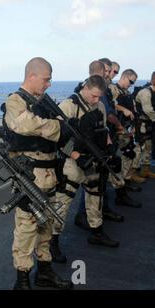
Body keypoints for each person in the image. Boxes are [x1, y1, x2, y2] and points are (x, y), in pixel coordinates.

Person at [3, 57, 73, 290]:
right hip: (30, 176)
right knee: (26, 228)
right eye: (46, 79)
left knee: (47, 225)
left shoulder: (43, 103)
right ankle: (22, 278)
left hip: (50, 173)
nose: (48, 84)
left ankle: (44, 271)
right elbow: (25, 124)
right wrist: (57, 128)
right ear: (32, 76)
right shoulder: (15, 100)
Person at [54, 75, 120, 258]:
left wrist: (109, 150)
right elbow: (58, 140)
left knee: (95, 196)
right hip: (71, 162)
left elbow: (103, 130)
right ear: (85, 88)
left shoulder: (99, 106)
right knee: (63, 203)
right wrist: (76, 156)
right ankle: (53, 241)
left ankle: (96, 232)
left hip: (93, 160)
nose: (96, 101)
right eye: (93, 96)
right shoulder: (68, 106)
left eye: (99, 97)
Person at [109, 69, 146, 189]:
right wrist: (123, 109)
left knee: (131, 153)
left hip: (128, 129)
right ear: (124, 77)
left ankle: (126, 179)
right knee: (121, 156)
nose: (131, 84)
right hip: (118, 130)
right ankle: (120, 184)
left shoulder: (127, 92)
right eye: (131, 81)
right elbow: (110, 104)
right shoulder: (113, 89)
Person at [135, 71, 155, 179]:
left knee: (148, 147)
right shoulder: (146, 92)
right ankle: (132, 173)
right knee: (139, 148)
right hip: (140, 124)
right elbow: (148, 110)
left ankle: (145, 171)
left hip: (149, 124)